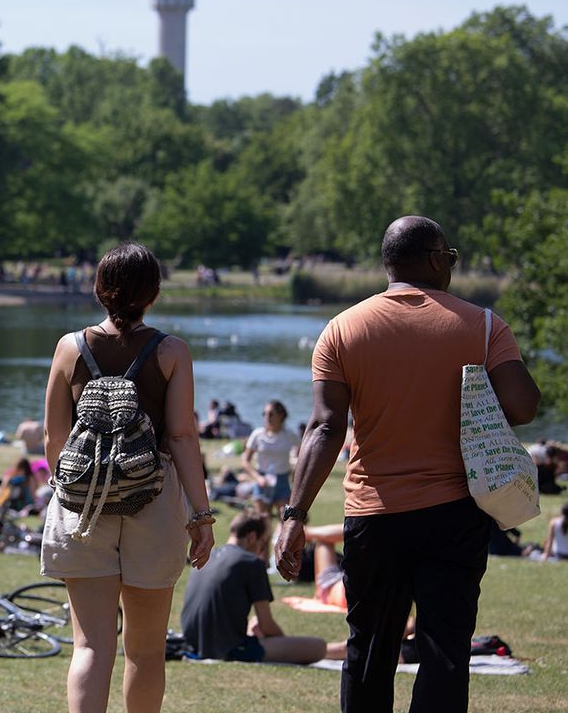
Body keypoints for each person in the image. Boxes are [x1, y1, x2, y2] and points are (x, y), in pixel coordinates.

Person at [274, 216, 540, 713]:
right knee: (445, 651)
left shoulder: (342, 329)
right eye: (451, 258)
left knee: (368, 652)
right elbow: (524, 407)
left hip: (374, 515)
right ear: (437, 259)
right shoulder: (482, 325)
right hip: (455, 514)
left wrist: (295, 517)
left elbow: (325, 428)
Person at [40, 242, 213, 713]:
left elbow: (54, 439)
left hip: (82, 507)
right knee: (144, 650)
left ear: (99, 290)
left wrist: (72, 489)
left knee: (90, 647)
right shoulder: (172, 351)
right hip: (153, 502)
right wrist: (201, 515)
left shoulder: (69, 348)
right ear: (153, 293)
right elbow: (180, 437)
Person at [179, 512, 346, 664]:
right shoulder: (251, 563)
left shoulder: (208, 557)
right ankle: (338, 650)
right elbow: (267, 625)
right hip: (228, 649)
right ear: (252, 537)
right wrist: (283, 642)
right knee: (317, 646)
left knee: (255, 624)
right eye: (263, 543)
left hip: (193, 643)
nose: (262, 550)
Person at [242, 399, 299, 521]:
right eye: (264, 414)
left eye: (271, 414)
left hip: (282, 481)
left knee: (286, 520)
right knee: (263, 522)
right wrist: (257, 478)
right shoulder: (257, 435)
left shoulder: (289, 435)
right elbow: (245, 461)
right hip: (262, 481)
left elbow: (305, 450)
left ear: (281, 416)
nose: (267, 417)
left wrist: (296, 471)